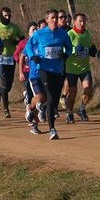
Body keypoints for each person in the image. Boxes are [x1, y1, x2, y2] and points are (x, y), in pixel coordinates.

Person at [25, 9, 72, 139]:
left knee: (54, 101)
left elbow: (69, 47)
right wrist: (32, 56)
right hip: (44, 69)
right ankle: (52, 129)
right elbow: (28, 46)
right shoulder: (40, 34)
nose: (55, 20)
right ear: (47, 20)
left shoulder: (63, 34)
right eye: (52, 18)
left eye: (57, 17)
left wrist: (66, 54)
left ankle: (37, 110)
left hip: (58, 70)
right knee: (50, 96)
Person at [0, 6, 24, 119]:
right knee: (4, 82)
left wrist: (15, 41)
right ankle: (6, 110)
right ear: (1, 16)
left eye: (9, 15)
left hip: (11, 57)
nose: (7, 17)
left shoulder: (14, 27)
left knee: (8, 86)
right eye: (5, 15)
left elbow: (23, 40)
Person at [65, 13, 96, 123]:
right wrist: (74, 50)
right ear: (75, 22)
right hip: (71, 68)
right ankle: (69, 113)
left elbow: (91, 46)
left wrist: (93, 50)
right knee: (73, 93)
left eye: (84, 21)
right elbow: (64, 50)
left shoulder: (87, 34)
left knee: (88, 89)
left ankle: (82, 109)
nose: (82, 24)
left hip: (84, 68)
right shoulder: (70, 34)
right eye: (80, 21)